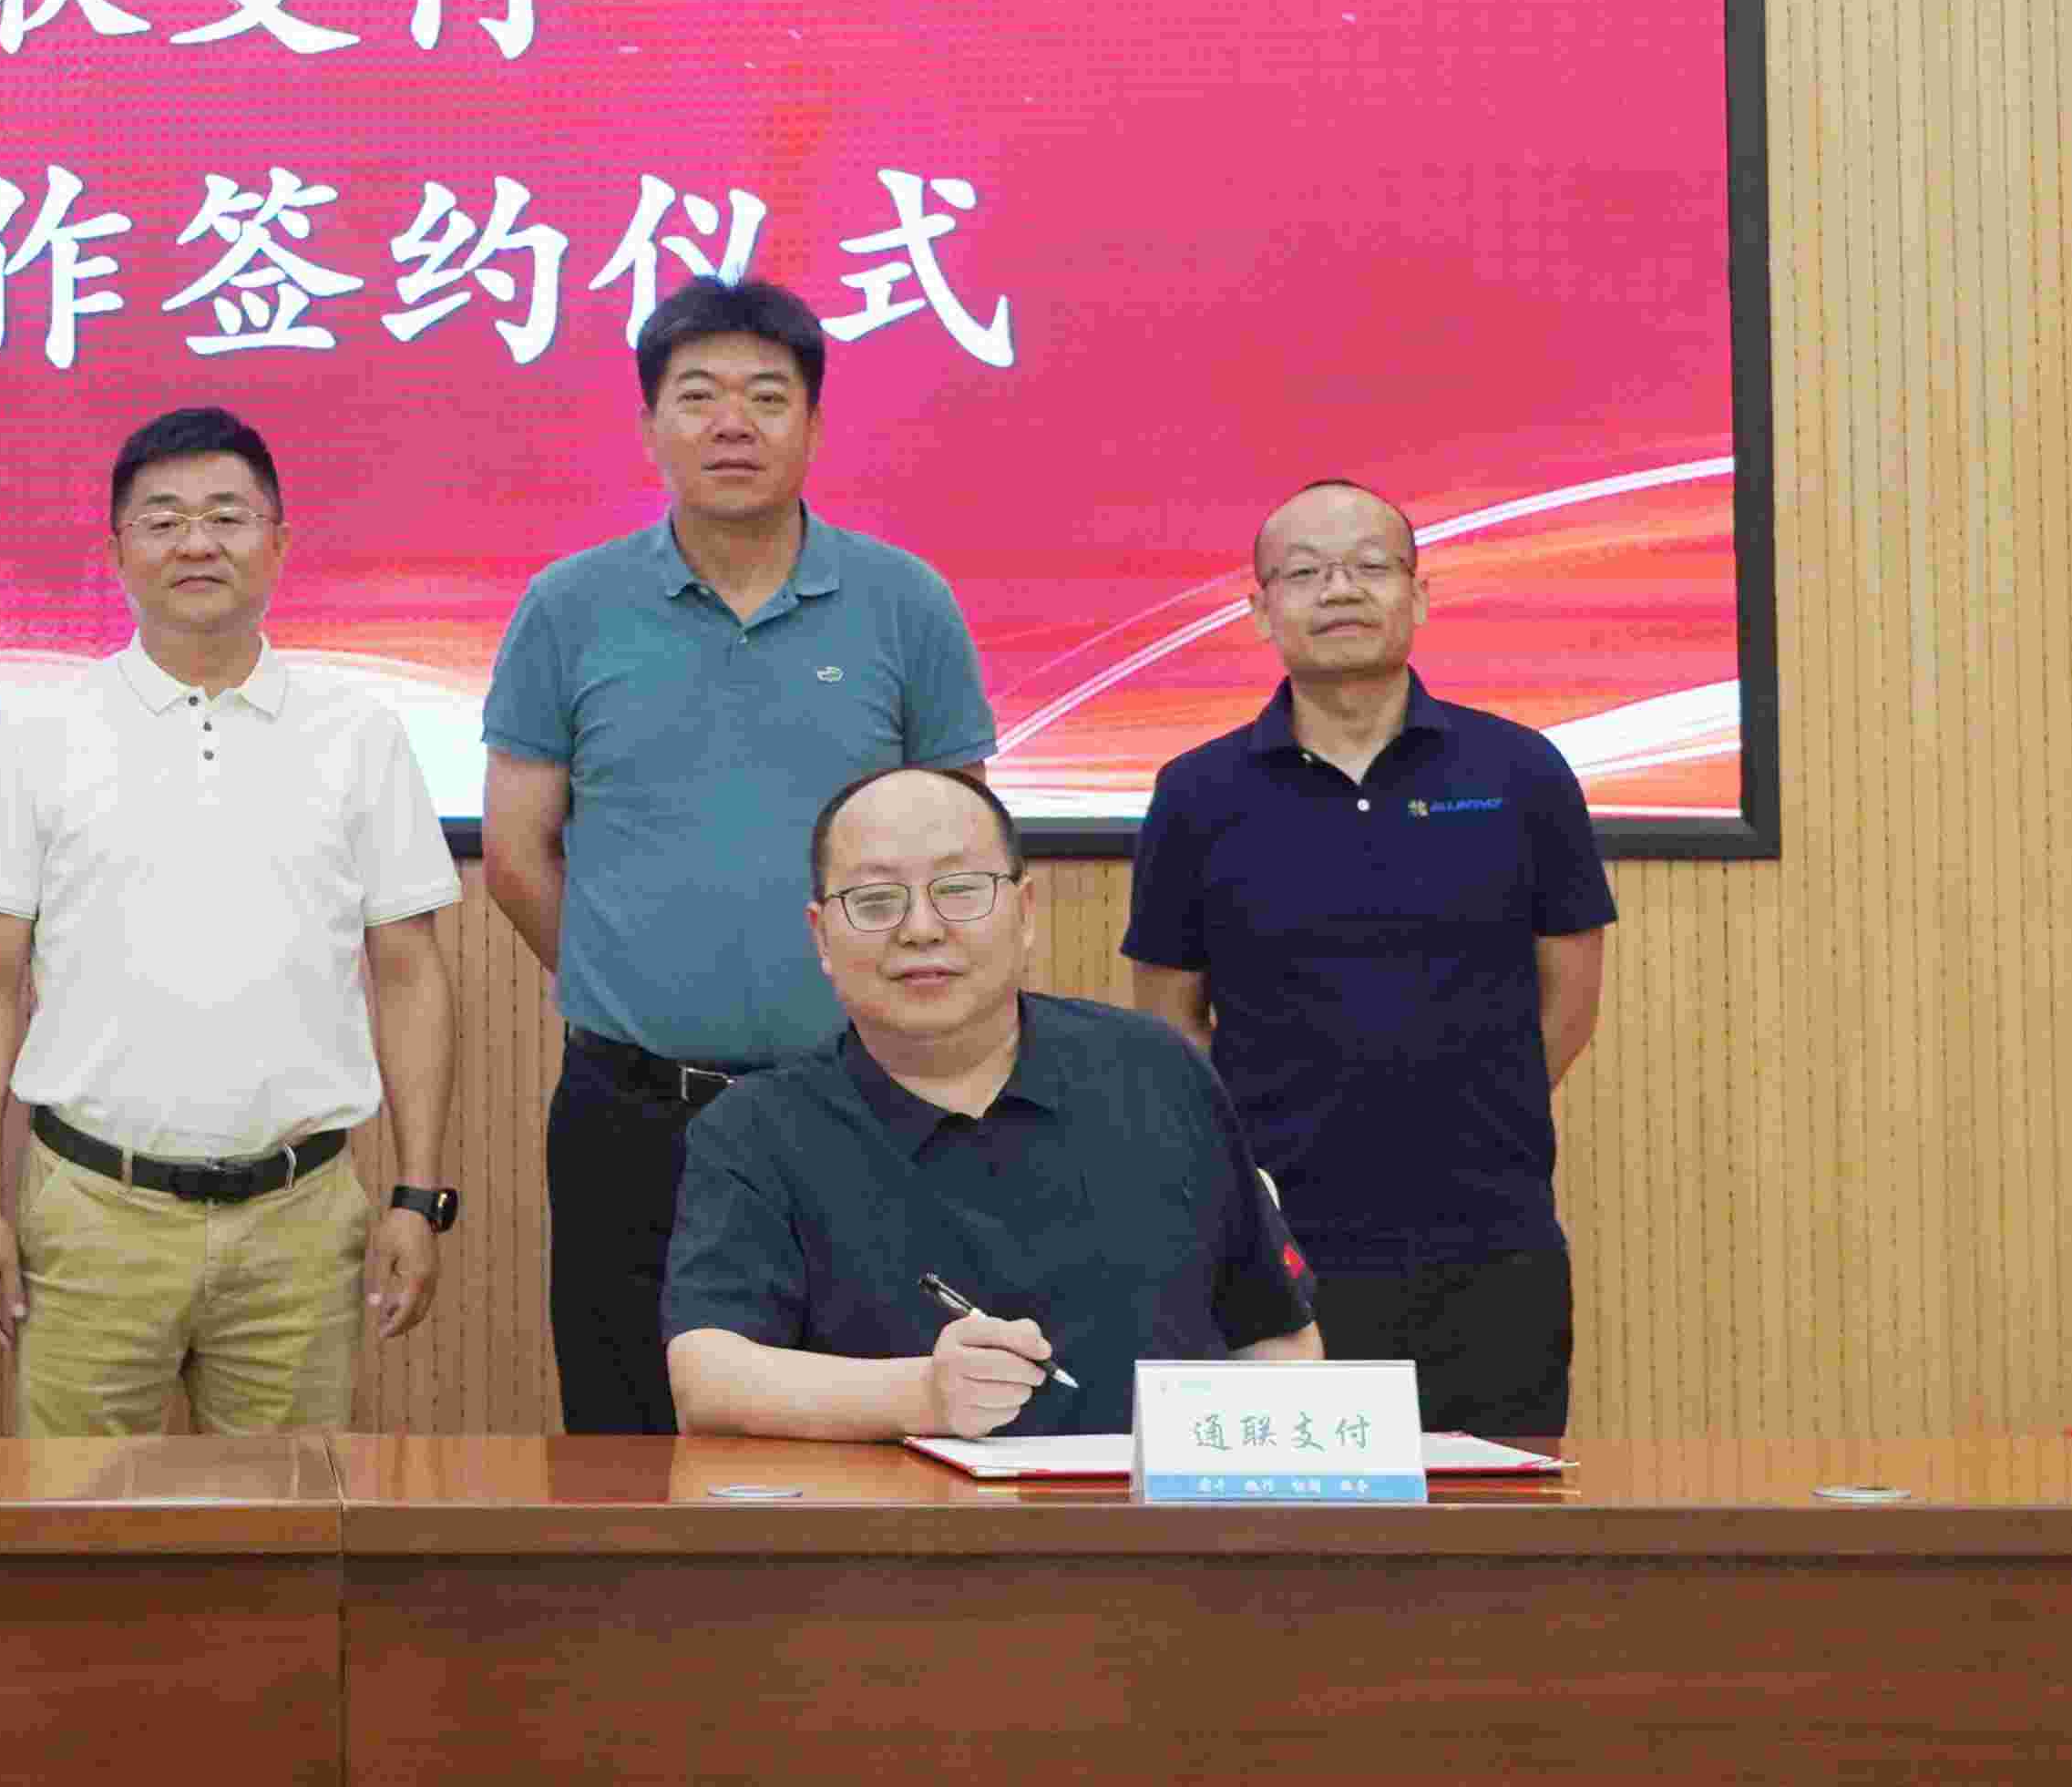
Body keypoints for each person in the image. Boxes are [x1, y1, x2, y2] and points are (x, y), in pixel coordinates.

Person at [482, 276, 998, 1434]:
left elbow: (961, 851)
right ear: (649, 426)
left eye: (767, 396)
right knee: (626, 1427)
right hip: (630, 1110)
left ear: (813, 425)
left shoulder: (903, 601)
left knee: (871, 1415)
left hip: (862, 1098)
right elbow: (517, 853)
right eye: (698, 395)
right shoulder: (570, 605)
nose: (732, 423)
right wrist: (635, 981)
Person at [0, 406, 461, 1437]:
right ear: (116, 551)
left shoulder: (357, 733)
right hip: (91, 1212)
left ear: (279, 542)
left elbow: (409, 973)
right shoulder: (41, 732)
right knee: (76, 1520)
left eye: (227, 516)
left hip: (300, 1221)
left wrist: (416, 1194)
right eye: (163, 519)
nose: (196, 543)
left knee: (288, 1522)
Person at [1123, 478, 1616, 1436]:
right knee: (1283, 1513)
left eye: (1369, 566)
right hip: (1274, 1242)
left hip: (1489, 1234)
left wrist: (1472, 1107)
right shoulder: (1196, 793)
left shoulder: (1521, 772)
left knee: (1497, 1503)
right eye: (1304, 572)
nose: (1339, 589)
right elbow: (1169, 1016)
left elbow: (1569, 997)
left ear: (1419, 595)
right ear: (1259, 609)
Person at [668, 765, 1322, 1437]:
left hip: (1152, 1503)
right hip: (895, 1506)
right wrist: (923, 1395)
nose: (920, 929)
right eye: (875, 900)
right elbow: (707, 1376)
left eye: (959, 890)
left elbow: (1275, 1336)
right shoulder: (757, 1128)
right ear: (821, 937)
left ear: (1025, 911)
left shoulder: (1156, 1070)